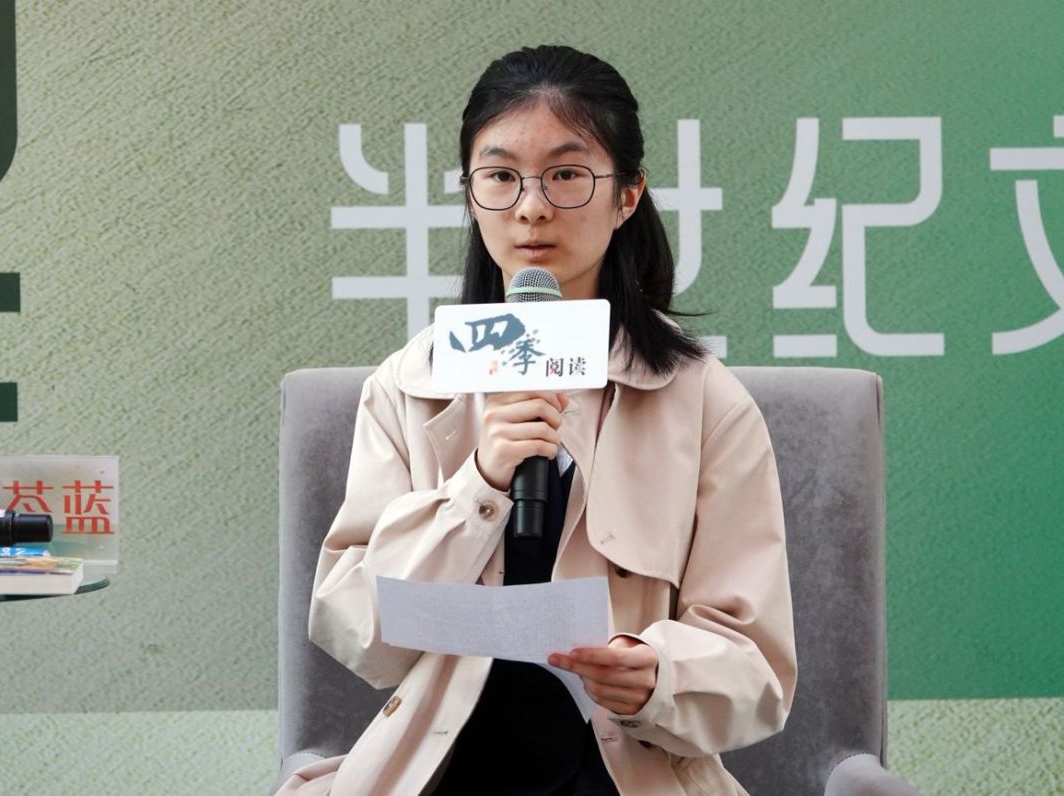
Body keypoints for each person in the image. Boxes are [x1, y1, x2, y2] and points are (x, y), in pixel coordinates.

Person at [279, 45, 796, 795]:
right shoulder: (411, 386)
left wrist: (659, 676)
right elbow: (358, 631)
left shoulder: (704, 401)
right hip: (448, 771)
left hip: (623, 773)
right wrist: (481, 484)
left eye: (566, 175)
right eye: (500, 177)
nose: (531, 207)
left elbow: (757, 668)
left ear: (627, 196)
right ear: (470, 194)